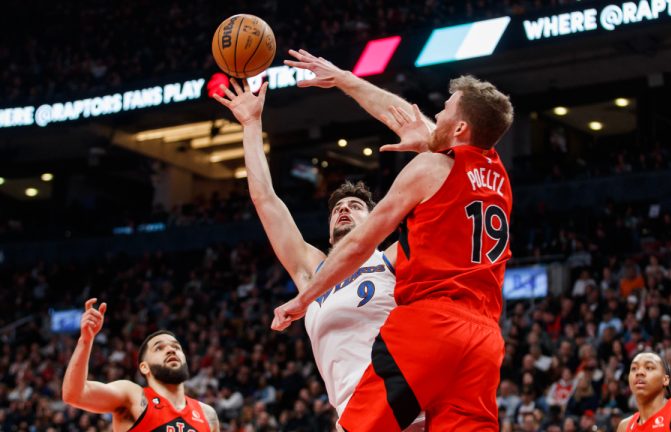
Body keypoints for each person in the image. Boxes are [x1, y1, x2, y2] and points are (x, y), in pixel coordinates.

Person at [273, 49, 515, 431]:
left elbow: (357, 245)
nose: (435, 115)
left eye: (445, 111)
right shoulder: (497, 176)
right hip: (484, 338)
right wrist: (343, 79)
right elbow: (406, 118)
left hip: (432, 321)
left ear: (459, 128)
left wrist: (303, 299)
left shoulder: (430, 167)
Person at [213, 79, 424, 430]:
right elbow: (265, 200)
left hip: (406, 408)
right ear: (327, 229)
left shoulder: (389, 258)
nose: (344, 210)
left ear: (375, 221)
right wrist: (251, 126)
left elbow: (434, 207)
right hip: (351, 416)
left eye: (355, 206)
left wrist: (425, 148)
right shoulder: (313, 272)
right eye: (338, 208)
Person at [62, 299, 219, 432]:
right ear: (145, 367)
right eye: (159, 348)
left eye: (176, 347)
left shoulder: (208, 415)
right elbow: (74, 394)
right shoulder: (132, 396)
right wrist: (85, 340)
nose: (171, 350)